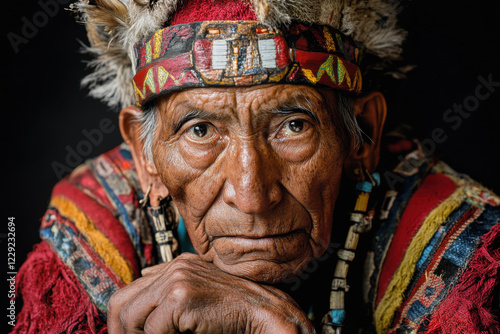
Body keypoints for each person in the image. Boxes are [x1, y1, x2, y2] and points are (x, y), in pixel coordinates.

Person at [11, 0, 500, 333]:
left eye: (292, 126)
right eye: (200, 131)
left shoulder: (456, 243)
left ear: (363, 136)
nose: (251, 194)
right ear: (145, 157)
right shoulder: (98, 224)